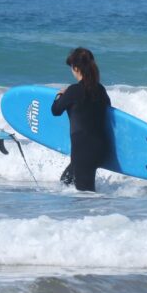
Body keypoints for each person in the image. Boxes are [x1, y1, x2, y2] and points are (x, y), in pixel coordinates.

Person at [51, 47, 111, 191]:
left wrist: (59, 95)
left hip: (83, 149)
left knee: (85, 196)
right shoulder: (100, 89)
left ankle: (105, 213)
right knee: (66, 181)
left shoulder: (73, 90)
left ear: (76, 68)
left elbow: (56, 110)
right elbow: (108, 109)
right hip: (101, 147)